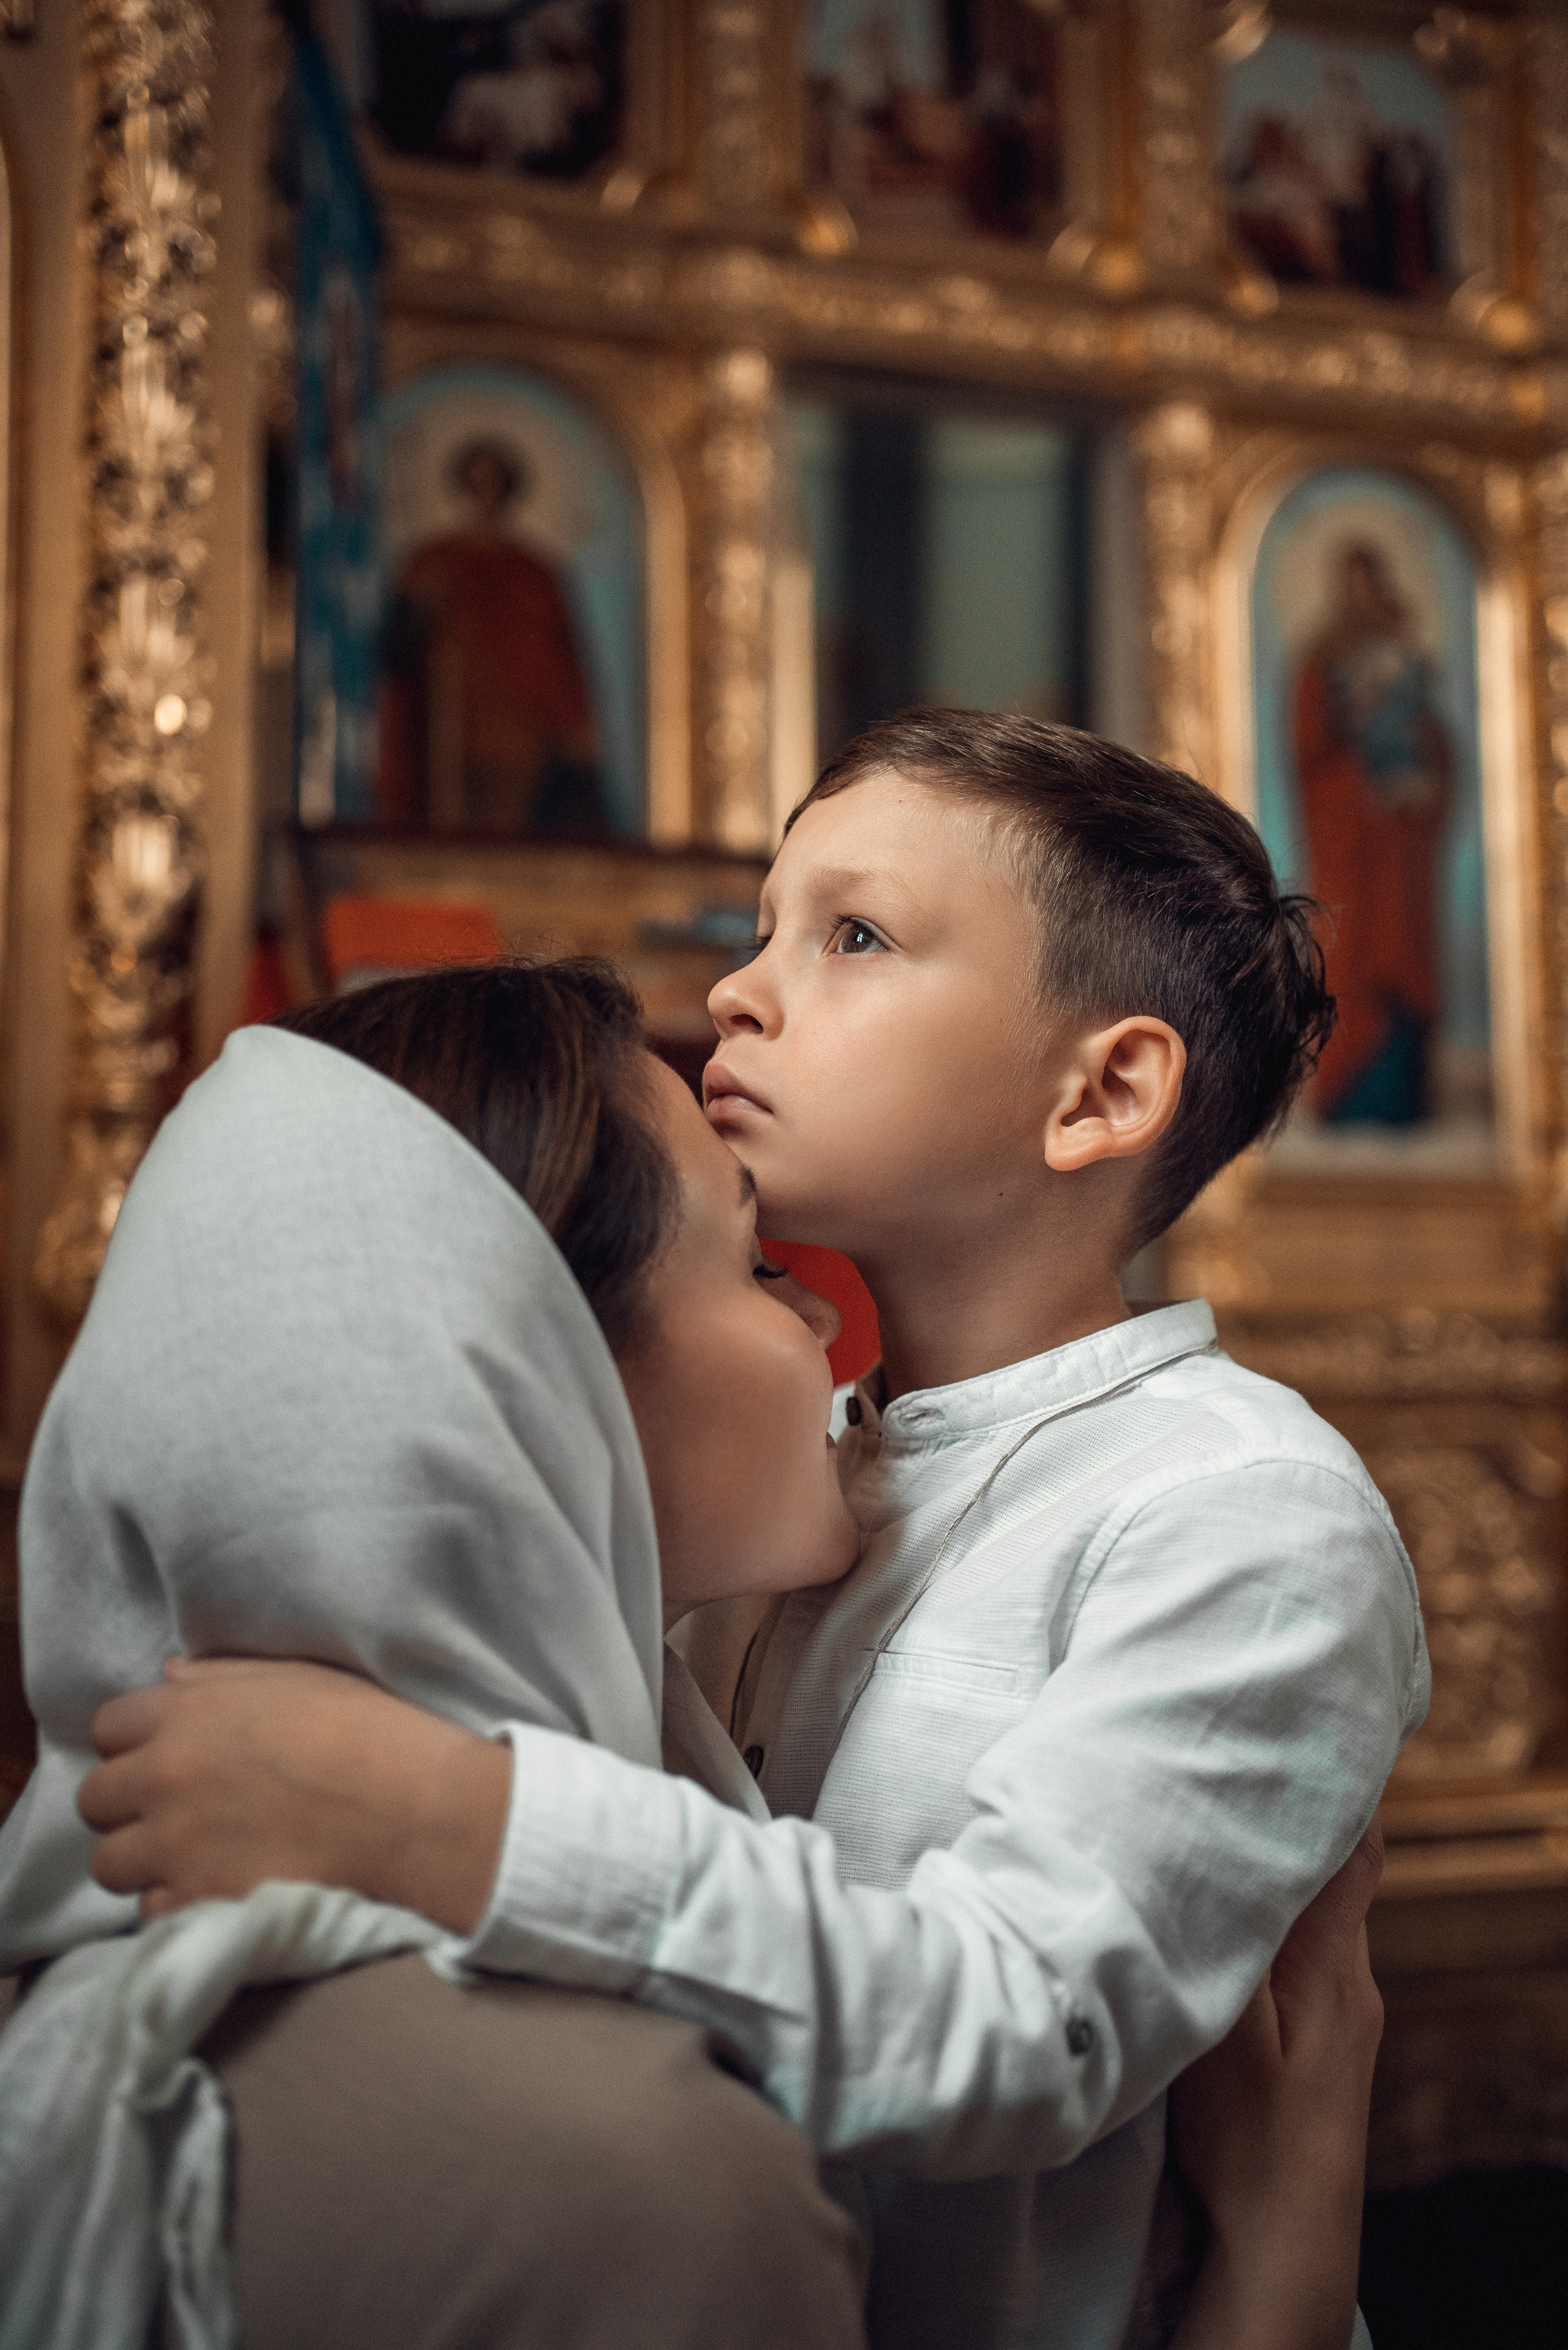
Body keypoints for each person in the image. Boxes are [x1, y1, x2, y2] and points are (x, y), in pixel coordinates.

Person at [80, 714, 1426, 2349]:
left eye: (854, 935)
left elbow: (1024, 2021)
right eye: (763, 926)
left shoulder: (1236, 1508)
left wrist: (459, 1820)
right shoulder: (777, 1472)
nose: (737, 988)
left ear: (1104, 1089)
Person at [0, 960, 867, 2350]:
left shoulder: (68, 1962)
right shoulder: (645, 2190)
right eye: (757, 1262)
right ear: (518, 1387)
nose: (825, 1320)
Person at [1294, 540, 1452, 1124]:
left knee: (1403, 960)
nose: (1362, 595)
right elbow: (1312, 752)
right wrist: (1364, 785)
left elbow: (1432, 739)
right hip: (1352, 846)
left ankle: (1405, 1106)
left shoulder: (1403, 650)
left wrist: (1421, 769)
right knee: (1353, 962)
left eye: (1370, 581)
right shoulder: (1321, 663)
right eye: (1351, 583)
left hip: (1399, 847)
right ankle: (1349, 1102)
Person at [376, 437, 606, 835]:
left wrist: (575, 725)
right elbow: (395, 649)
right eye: (477, 481)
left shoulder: (534, 573)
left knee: (510, 837)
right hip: (445, 732)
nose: (486, 492)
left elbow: (559, 659)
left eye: (495, 482)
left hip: (517, 741)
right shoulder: (432, 561)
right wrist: (421, 611)